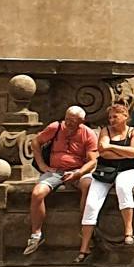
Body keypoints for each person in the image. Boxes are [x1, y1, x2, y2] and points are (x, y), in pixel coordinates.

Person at [23, 105, 97, 256]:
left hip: (79, 170)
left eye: (73, 121)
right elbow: (35, 142)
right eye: (67, 119)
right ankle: (36, 234)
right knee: (37, 193)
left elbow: (93, 161)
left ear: (81, 121)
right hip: (55, 171)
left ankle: (85, 229)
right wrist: (43, 165)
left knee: (88, 185)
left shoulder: (88, 134)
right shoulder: (55, 127)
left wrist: (79, 173)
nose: (68, 124)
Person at [76, 102, 134, 264]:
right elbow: (103, 153)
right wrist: (123, 153)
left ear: (125, 117)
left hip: (128, 171)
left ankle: (128, 231)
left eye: (115, 116)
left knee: (122, 187)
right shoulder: (105, 131)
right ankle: (84, 247)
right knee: (91, 204)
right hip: (105, 172)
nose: (111, 120)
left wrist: (111, 147)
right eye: (110, 117)